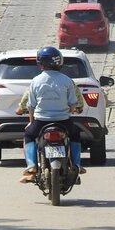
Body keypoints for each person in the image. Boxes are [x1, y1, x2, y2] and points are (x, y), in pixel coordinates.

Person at [20, 47, 84, 183]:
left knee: (29, 136)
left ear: (40, 63)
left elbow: (30, 106)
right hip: (64, 121)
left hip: (41, 121)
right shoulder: (67, 80)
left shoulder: (35, 81)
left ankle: (31, 166)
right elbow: (73, 104)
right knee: (75, 135)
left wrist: (31, 122)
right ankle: (76, 164)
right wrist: (70, 110)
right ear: (59, 62)